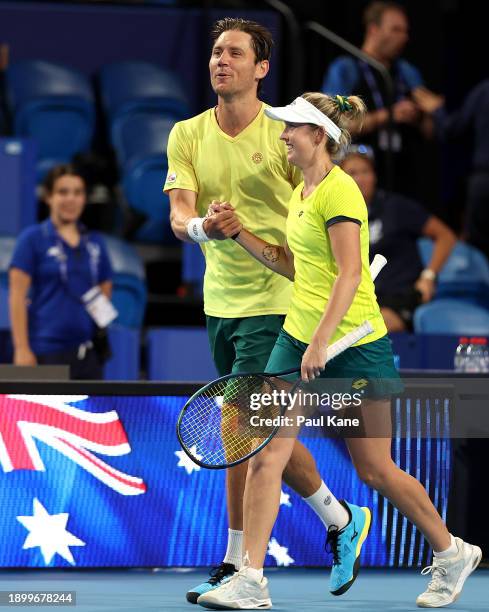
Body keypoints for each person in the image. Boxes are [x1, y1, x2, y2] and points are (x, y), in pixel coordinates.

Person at [198, 92, 481, 610]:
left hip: (354, 345)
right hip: (297, 337)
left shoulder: (341, 191)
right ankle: (250, 580)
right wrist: (240, 236)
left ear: (319, 137)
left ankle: (452, 552)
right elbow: (294, 266)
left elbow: (351, 273)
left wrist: (323, 342)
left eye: (291, 129)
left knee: (376, 469)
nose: (282, 135)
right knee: (268, 451)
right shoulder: (302, 193)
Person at [165, 18, 371, 603]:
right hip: (220, 302)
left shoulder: (284, 135)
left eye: (234, 53)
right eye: (214, 52)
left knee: (243, 428)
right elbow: (180, 216)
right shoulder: (187, 134)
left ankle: (241, 566)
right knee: (255, 431)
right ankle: (338, 519)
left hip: (280, 303)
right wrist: (207, 227)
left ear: (261, 69)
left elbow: (318, 194)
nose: (219, 61)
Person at [9, 164, 114, 380]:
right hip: (44, 352)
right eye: (63, 192)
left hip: (88, 354)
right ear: (48, 197)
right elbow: (17, 296)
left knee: (87, 415)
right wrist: (21, 349)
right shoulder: (32, 239)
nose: (71, 199)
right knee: (44, 415)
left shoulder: (95, 243)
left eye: (78, 192)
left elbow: (105, 283)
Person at [322, 1, 433, 198]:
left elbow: (432, 129)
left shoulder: (408, 73)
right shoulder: (346, 70)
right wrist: (387, 116)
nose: (404, 37)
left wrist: (422, 116)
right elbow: (336, 124)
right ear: (374, 30)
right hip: (360, 176)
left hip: (405, 177)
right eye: (396, 30)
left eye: (406, 31)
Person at [340, 145, 457, 332]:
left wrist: (429, 277)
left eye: (365, 171)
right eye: (352, 173)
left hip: (400, 299)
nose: (360, 179)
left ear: (375, 176)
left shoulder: (396, 207)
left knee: (368, 328)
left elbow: (446, 236)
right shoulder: (337, 216)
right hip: (361, 301)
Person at [413, 81, 489, 260]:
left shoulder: (485, 90)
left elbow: (452, 128)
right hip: (482, 182)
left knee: (480, 250)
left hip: (484, 182)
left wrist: (438, 110)